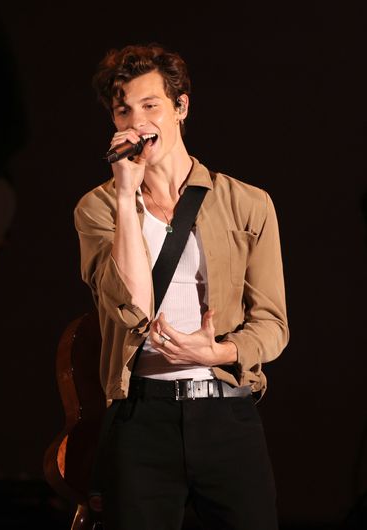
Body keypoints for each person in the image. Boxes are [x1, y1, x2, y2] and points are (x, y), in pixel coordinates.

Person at [74, 42, 289, 530]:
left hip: (225, 412)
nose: (137, 120)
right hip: (141, 418)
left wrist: (220, 353)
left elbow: (273, 325)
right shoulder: (98, 208)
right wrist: (127, 191)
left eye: (151, 105)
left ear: (181, 106)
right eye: (123, 109)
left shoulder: (248, 204)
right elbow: (128, 305)